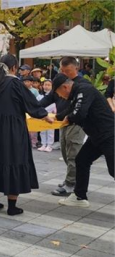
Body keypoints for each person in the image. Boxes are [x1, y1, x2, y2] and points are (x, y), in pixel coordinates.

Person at [0, 54, 53, 216]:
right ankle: (12, 205)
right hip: (11, 131)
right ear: (14, 68)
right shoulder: (16, 84)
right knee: (13, 159)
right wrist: (44, 115)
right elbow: (31, 105)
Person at [53, 74, 114, 208]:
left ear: (65, 87)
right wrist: (55, 117)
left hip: (109, 135)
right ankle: (79, 196)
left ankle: (79, 195)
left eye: (59, 94)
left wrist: (67, 119)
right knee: (82, 160)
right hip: (96, 136)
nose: (61, 97)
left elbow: (79, 114)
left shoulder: (84, 90)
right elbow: (71, 110)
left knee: (113, 169)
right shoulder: (77, 93)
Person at [38, 57, 87, 196]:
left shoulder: (82, 85)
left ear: (76, 68)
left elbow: (77, 107)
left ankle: (71, 183)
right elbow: (46, 100)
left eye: (67, 70)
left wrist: (64, 116)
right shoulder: (60, 82)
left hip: (76, 122)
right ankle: (72, 179)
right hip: (63, 122)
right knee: (65, 151)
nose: (64, 72)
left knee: (73, 152)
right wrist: (33, 108)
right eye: (62, 70)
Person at [37, 80, 56, 152]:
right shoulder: (40, 96)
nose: (47, 86)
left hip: (50, 114)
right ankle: (43, 144)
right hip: (42, 114)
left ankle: (49, 145)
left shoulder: (53, 96)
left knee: (50, 130)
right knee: (42, 130)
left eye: (49, 85)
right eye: (45, 84)